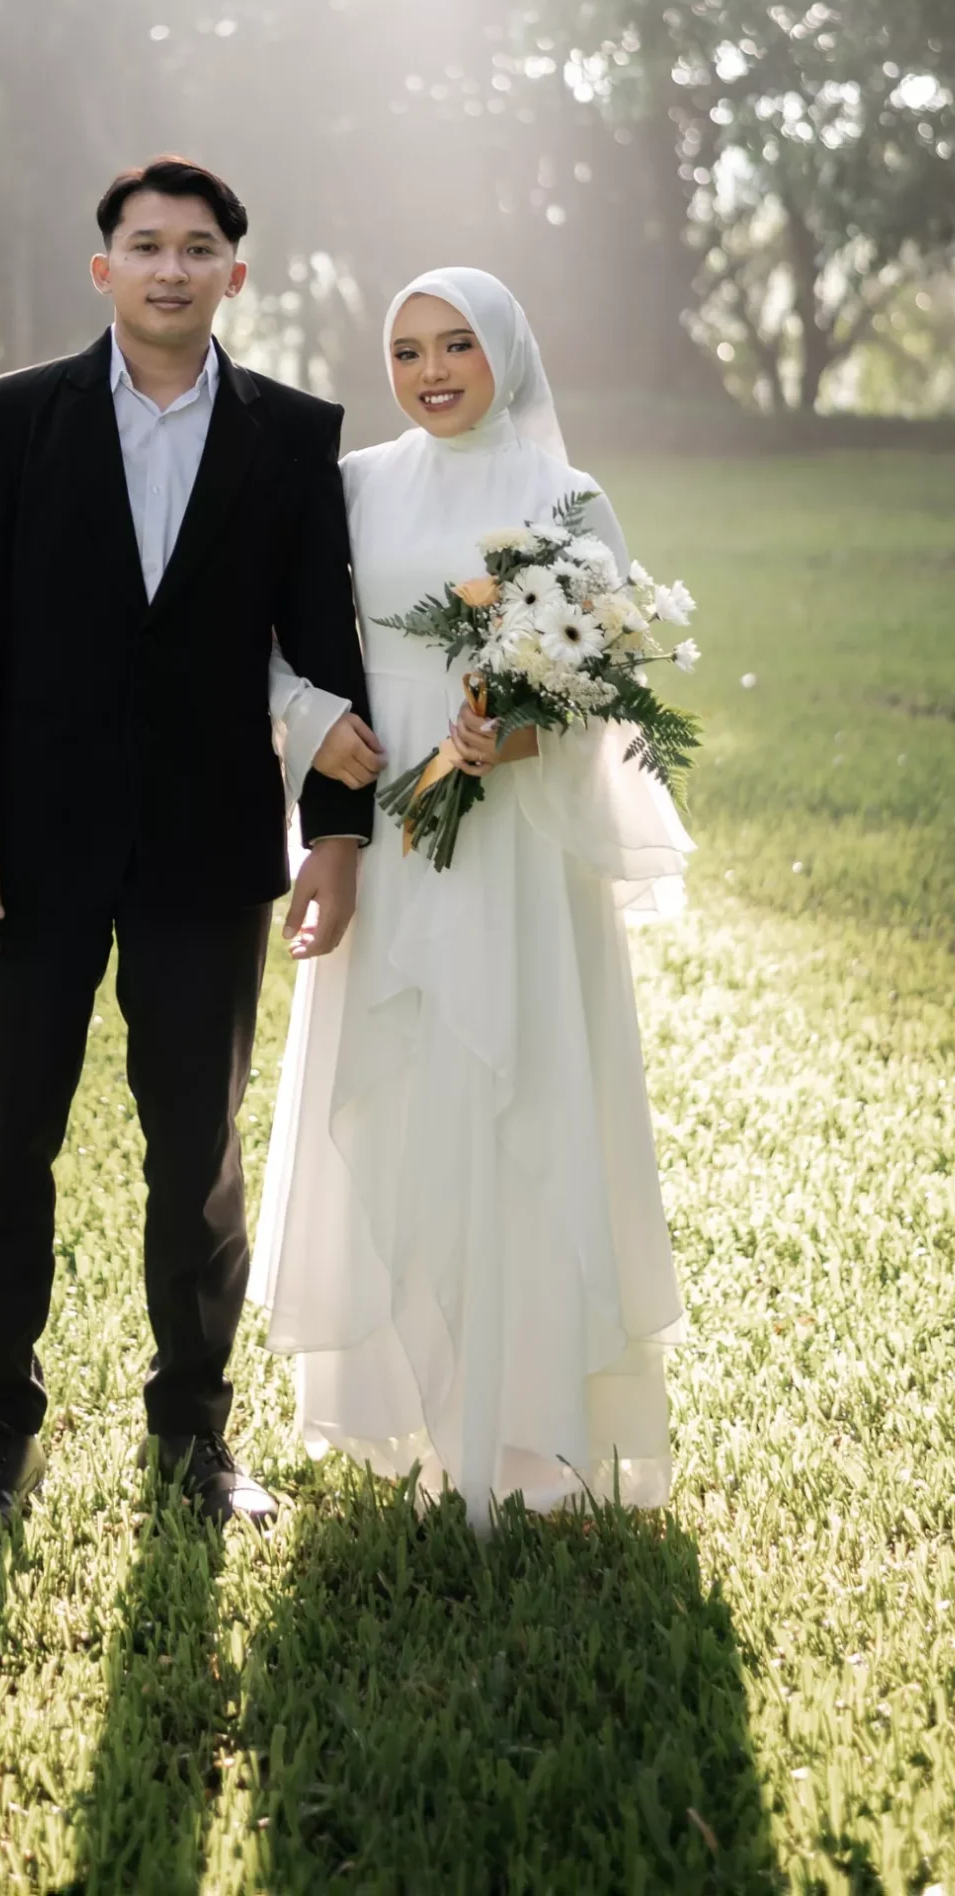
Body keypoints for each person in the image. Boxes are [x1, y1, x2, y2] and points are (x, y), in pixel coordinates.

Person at [0, 156, 384, 1546]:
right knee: (7, 1144)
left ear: (234, 273)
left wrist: (337, 834)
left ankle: (193, 1433)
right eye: (144, 245)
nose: (169, 268)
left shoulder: (292, 437)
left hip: (207, 850)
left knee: (195, 1155)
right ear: (102, 267)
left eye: (195, 248)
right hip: (28, 850)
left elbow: (321, 647)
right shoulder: (14, 418)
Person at [254, 267, 691, 1527]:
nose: (431, 371)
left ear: (504, 351)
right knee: (403, 1089)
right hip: (388, 821)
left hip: (516, 850)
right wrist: (310, 717)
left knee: (520, 1094)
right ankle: (422, 1402)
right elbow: (268, 636)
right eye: (406, 350)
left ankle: (527, 1422)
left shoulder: (567, 498)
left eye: (456, 344)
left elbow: (607, 686)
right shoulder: (350, 487)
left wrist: (520, 734)